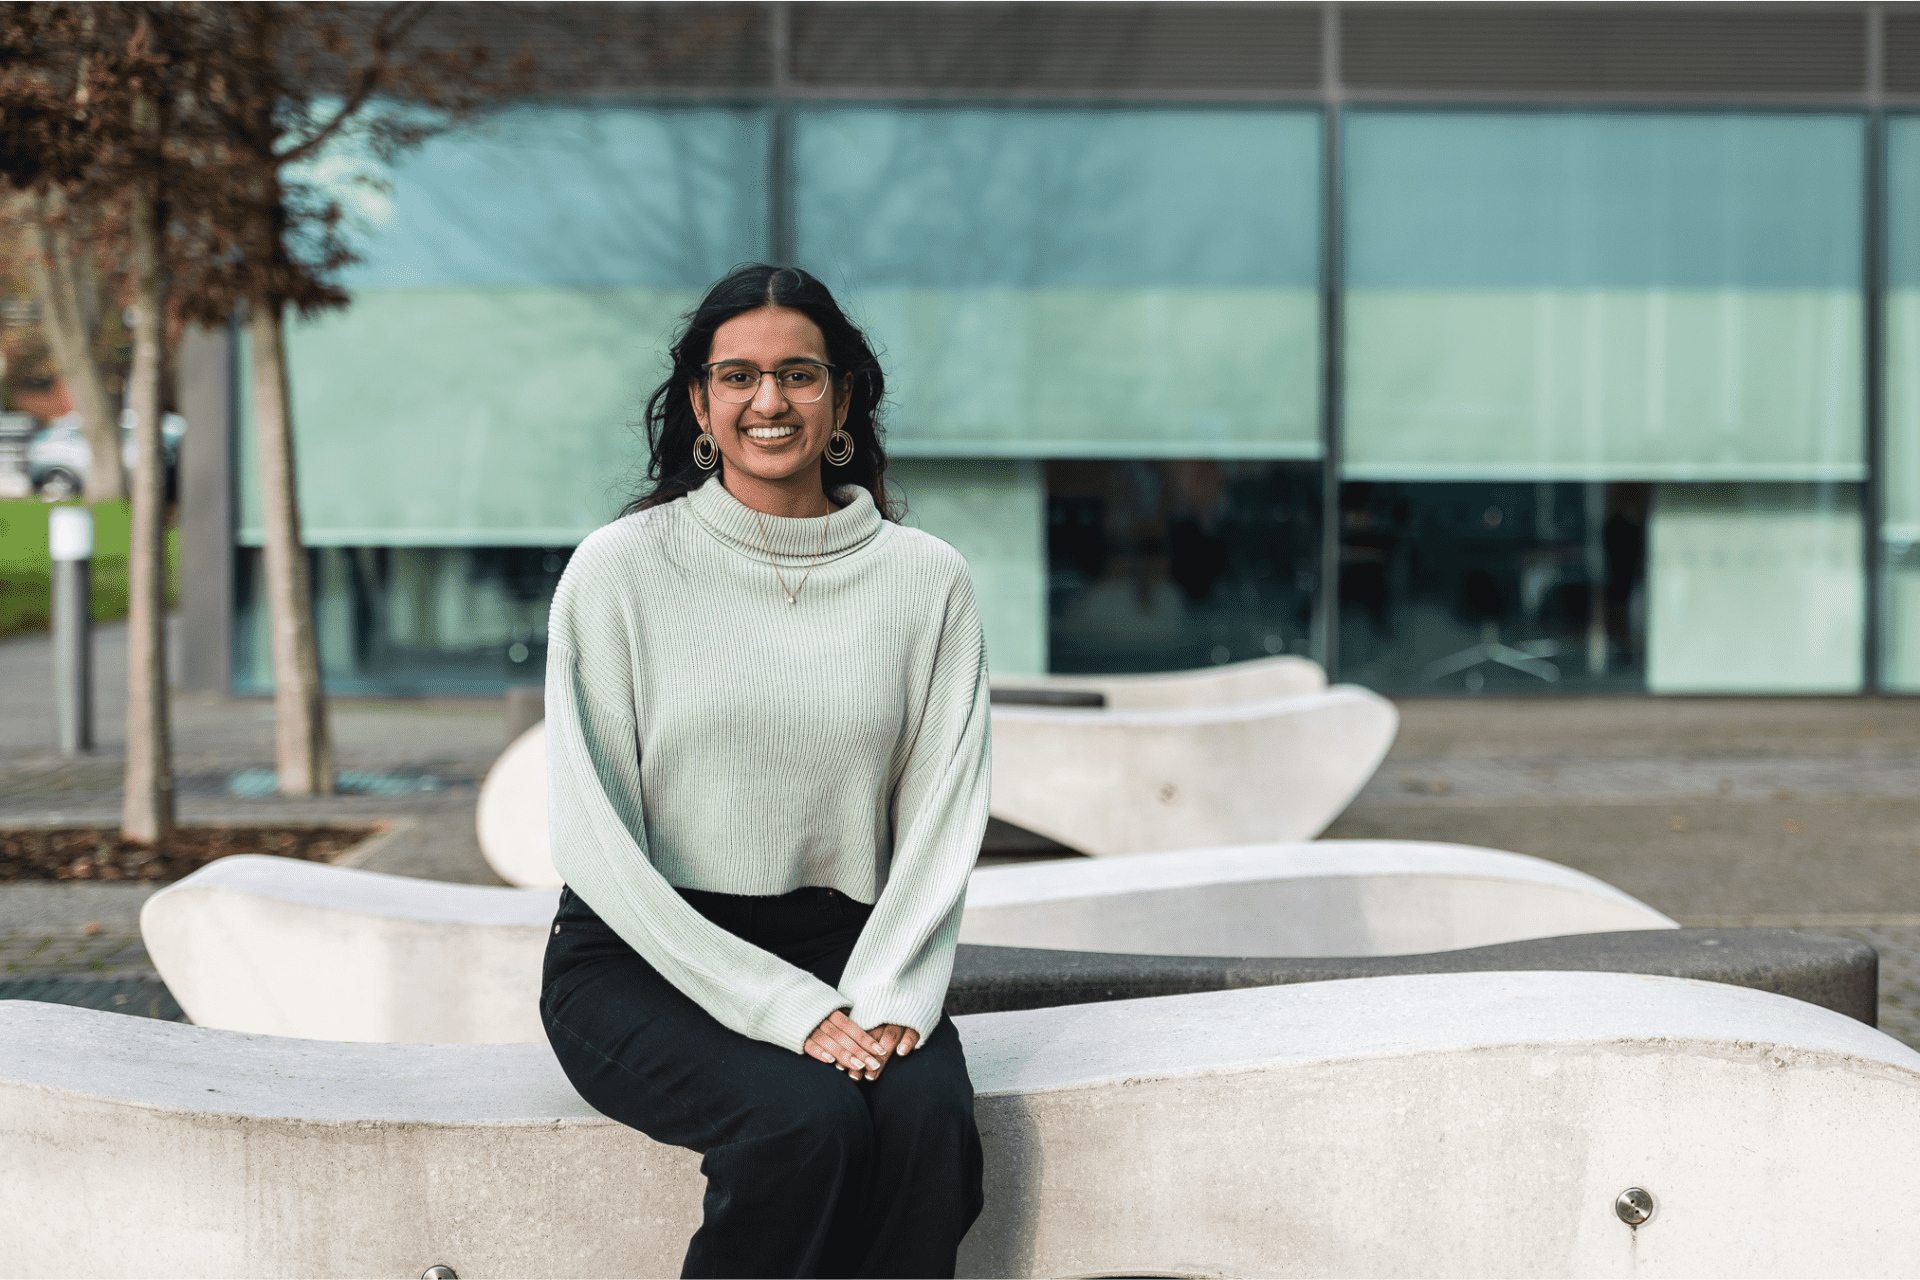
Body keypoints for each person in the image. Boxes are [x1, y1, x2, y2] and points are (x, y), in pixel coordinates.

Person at [539, 263, 990, 1279]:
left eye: (798, 373)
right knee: (804, 1123)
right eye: (737, 376)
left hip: (851, 949)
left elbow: (943, 818)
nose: (768, 401)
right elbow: (593, 842)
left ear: (842, 397)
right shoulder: (619, 569)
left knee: (927, 1125)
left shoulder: (927, 580)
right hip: (644, 954)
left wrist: (887, 991)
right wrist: (786, 1009)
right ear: (701, 403)